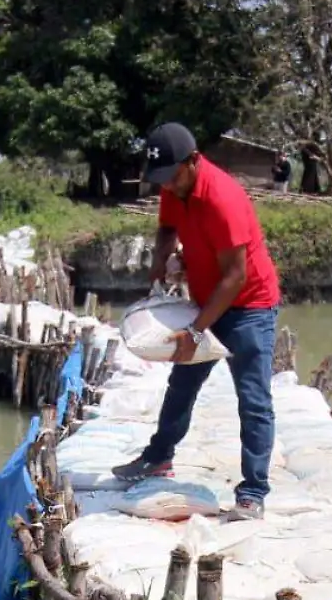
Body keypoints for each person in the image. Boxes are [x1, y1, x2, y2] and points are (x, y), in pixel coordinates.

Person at [111, 123, 282, 521]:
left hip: (249, 306)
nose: (166, 186)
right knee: (182, 383)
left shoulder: (224, 198)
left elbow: (235, 276)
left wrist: (194, 330)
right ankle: (157, 458)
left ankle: (253, 492)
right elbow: (168, 228)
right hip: (206, 299)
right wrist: (162, 264)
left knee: (254, 401)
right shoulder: (176, 189)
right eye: (160, 180)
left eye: (171, 177)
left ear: (193, 162)